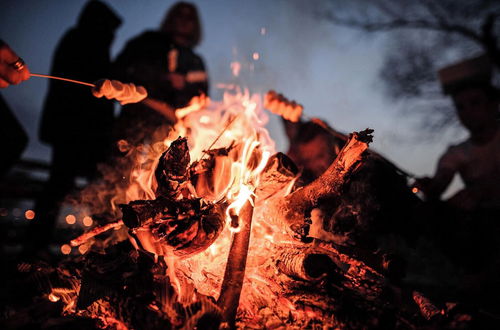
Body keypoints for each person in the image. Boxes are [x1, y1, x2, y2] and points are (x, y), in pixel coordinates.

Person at [27, 0, 122, 252]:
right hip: (75, 130)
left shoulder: (93, 43)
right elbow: (75, 90)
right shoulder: (83, 41)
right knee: (65, 186)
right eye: (110, 30)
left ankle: (97, 246)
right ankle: (38, 246)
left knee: (78, 186)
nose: (112, 36)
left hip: (81, 130)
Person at [112, 1, 208, 146]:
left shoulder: (196, 61)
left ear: (195, 24)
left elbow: (202, 97)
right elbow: (120, 68)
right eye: (179, 15)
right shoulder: (147, 42)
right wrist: (161, 77)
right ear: (171, 18)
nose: (183, 21)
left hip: (172, 131)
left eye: (189, 18)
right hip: (135, 120)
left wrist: (185, 86)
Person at [415, 54, 500, 211]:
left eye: (475, 102)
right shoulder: (456, 153)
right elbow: (441, 180)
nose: (467, 112)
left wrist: (483, 190)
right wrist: (431, 187)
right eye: (460, 107)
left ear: (494, 104)